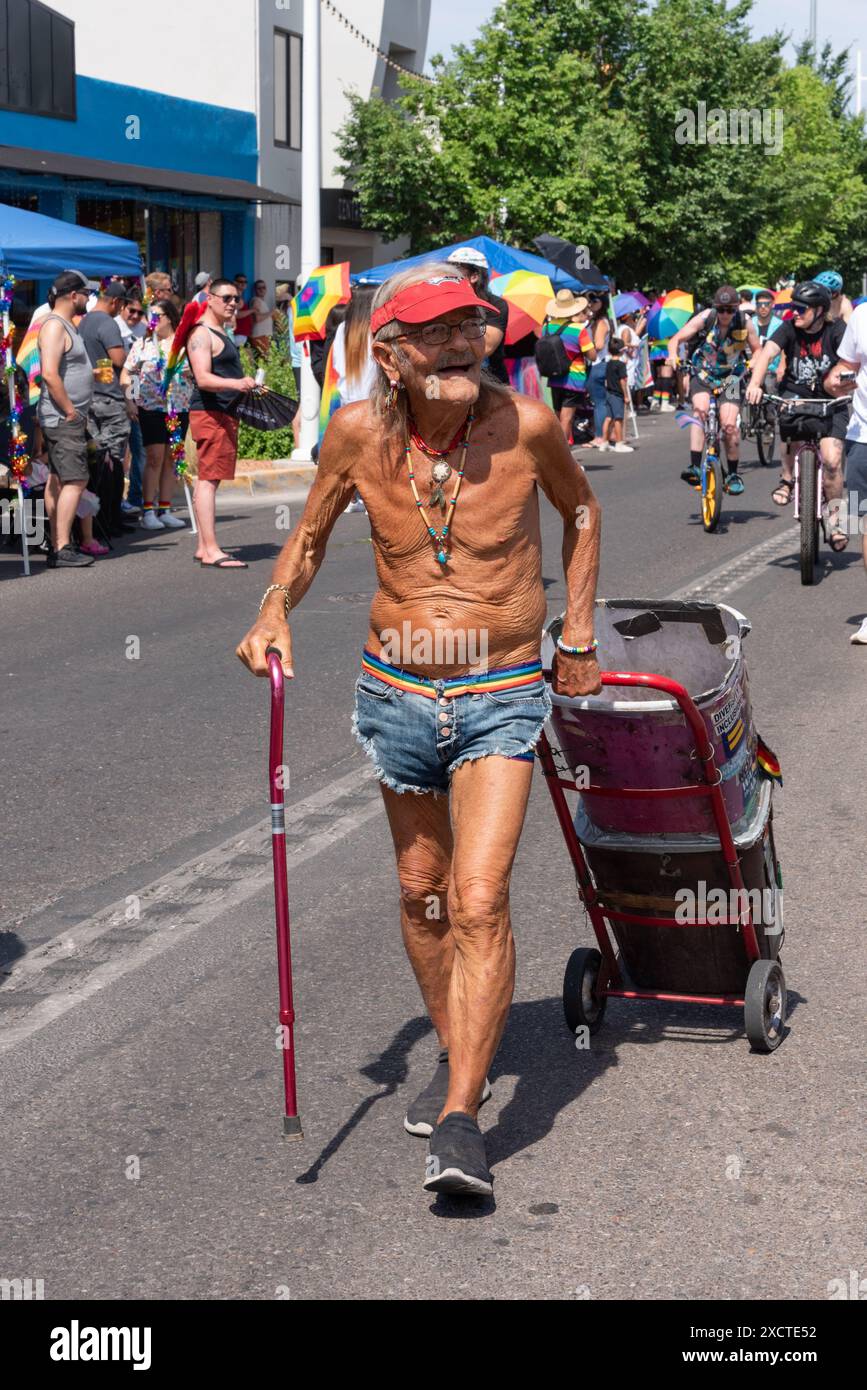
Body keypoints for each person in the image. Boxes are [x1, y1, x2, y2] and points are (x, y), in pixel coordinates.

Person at [236, 264, 602, 1198]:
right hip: (395, 691)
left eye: (468, 331)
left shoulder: (524, 426)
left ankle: (461, 1118)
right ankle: (456, 1049)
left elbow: (582, 510)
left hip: (502, 688)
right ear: (390, 355)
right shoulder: (357, 435)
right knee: (421, 891)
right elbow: (310, 536)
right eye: (435, 335)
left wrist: (577, 630)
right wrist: (276, 604)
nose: (457, 346)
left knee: (478, 898)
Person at [746, 280, 848, 546]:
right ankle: (787, 479)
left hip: (831, 401)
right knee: (787, 417)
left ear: (819, 310)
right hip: (796, 394)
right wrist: (755, 384)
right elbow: (767, 353)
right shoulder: (789, 328)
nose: (796, 313)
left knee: (833, 461)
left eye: (802, 309)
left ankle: (837, 520)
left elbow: (856, 359)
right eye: (794, 307)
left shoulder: (837, 330)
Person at [186, 277, 257, 566]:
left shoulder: (218, 331)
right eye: (226, 298)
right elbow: (202, 378)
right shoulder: (201, 334)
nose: (232, 304)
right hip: (211, 413)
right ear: (209, 298)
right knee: (208, 481)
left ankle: (205, 547)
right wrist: (238, 383)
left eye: (236, 299)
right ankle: (213, 549)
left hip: (220, 413)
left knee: (208, 479)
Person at [668, 285, 760, 493]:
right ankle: (694, 465)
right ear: (715, 308)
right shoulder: (705, 317)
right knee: (699, 412)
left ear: (736, 308)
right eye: (721, 309)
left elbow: (757, 350)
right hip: (703, 374)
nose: (725, 314)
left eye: (730, 309)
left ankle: (733, 474)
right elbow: (676, 339)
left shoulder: (745, 322)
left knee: (729, 426)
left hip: (732, 378)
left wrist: (754, 361)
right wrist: (673, 355)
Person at [36, 271, 95, 568]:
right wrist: (71, 411)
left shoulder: (65, 326)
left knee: (59, 479)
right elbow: (48, 373)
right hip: (63, 417)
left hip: (65, 416)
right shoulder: (55, 326)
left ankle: (59, 542)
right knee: (76, 478)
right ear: (73, 296)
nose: (88, 299)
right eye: (86, 293)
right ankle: (62, 547)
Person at [123, 299, 193, 530]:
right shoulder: (143, 344)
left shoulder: (184, 344)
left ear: (170, 317)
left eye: (157, 316)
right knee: (154, 457)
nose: (152, 321)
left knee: (173, 458)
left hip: (179, 407)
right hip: (151, 407)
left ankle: (165, 508)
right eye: (150, 316)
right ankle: (148, 510)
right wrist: (131, 399)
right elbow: (129, 373)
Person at [79, 280, 136, 536]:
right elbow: (119, 359)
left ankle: (97, 517)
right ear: (116, 302)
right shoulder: (107, 323)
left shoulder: (84, 321)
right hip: (110, 400)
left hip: (88, 399)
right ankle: (111, 518)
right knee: (113, 459)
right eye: (122, 305)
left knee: (96, 459)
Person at [826, 302, 867, 642]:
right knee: (866, 524)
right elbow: (847, 366)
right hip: (863, 438)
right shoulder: (862, 316)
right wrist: (835, 381)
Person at [330, 286, 378, 512]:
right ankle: (372, 502)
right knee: (375, 456)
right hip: (373, 401)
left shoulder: (342, 329)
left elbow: (338, 365)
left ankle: (350, 500)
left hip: (348, 401)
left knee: (353, 455)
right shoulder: (377, 330)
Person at [445, 247, 510, 384]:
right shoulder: (445, 303)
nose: (449, 276)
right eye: (447, 271)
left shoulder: (496, 305)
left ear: (474, 276)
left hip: (492, 383)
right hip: (454, 379)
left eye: (456, 272)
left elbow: (486, 348)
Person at [539, 288, 594, 445]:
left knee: (557, 416)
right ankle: (562, 457)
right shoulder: (578, 329)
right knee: (567, 419)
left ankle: (556, 452)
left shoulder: (547, 328)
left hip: (554, 377)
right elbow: (592, 355)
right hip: (574, 379)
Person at [584, 292, 612, 446]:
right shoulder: (595, 321)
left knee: (599, 401)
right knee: (599, 401)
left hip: (599, 363)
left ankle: (600, 436)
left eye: (594, 301)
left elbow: (599, 345)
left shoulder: (601, 322)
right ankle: (602, 434)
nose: (591, 304)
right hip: (598, 363)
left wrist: (585, 346)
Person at [602, 337, 633, 452]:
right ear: (622, 351)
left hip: (608, 392)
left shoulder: (608, 363)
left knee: (608, 418)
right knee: (618, 419)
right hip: (617, 394)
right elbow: (622, 381)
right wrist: (626, 395)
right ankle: (619, 443)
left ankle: (604, 442)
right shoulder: (620, 365)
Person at [249, 280, 273, 358]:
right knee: (266, 361)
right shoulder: (256, 301)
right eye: (259, 288)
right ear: (255, 290)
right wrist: (271, 313)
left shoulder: (262, 301)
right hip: (260, 336)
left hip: (263, 336)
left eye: (263, 287)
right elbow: (257, 318)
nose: (262, 289)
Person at [233, 274, 253, 345]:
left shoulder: (240, 296)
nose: (243, 284)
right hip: (238, 334)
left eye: (245, 282)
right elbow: (236, 314)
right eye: (241, 281)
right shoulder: (235, 296)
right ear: (235, 282)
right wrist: (252, 310)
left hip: (242, 334)